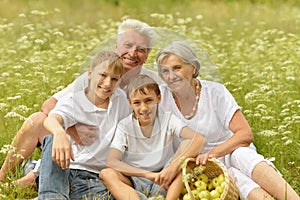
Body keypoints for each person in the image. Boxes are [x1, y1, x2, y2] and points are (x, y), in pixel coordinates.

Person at [0, 18, 161, 190]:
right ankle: (3, 177)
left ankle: (35, 176)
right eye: (127, 45)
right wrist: (72, 129)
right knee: (37, 120)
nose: (133, 52)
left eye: (141, 49)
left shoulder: (152, 82)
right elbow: (48, 106)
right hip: (83, 145)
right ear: (117, 46)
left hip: (113, 154)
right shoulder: (96, 75)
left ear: (148, 55)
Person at [155, 41, 300, 200]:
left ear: (193, 67)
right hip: (202, 167)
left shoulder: (215, 92)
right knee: (238, 180)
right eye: (165, 71)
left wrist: (214, 153)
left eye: (177, 68)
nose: (171, 76)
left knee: (242, 155)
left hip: (229, 150)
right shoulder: (160, 97)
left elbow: (245, 135)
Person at [38, 50, 131, 199]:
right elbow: (51, 119)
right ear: (90, 74)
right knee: (51, 138)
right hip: (69, 170)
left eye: (114, 79)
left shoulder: (120, 101)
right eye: (103, 75)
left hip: (95, 179)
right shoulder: (73, 100)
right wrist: (60, 132)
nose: (107, 83)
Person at [99, 74, 207, 200]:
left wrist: (173, 167)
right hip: (136, 180)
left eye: (149, 100)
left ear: (158, 98)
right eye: (137, 103)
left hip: (165, 177)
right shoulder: (124, 126)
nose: (144, 108)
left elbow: (199, 139)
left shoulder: (168, 119)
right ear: (130, 103)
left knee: (186, 157)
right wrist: (146, 174)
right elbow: (111, 162)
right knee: (106, 173)